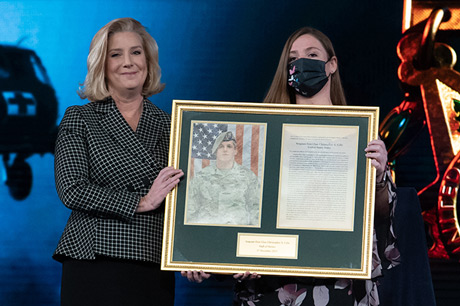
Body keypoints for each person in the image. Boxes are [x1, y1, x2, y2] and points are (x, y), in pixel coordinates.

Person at [185, 27, 400, 306]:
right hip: (272, 284)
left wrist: (381, 175)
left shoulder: (358, 135)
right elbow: (239, 206)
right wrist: (202, 253)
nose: (302, 64)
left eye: (312, 55)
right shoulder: (263, 135)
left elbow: (381, 214)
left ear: (332, 64)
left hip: (339, 283)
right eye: (293, 59)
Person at [53, 18, 183, 306]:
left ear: (148, 61)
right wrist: (142, 201)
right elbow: (72, 189)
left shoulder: (174, 126)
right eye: (116, 54)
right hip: (94, 259)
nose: (128, 62)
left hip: (151, 260)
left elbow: (189, 202)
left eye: (136, 52)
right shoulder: (80, 118)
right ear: (102, 64)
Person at [186, 130, 261, 225]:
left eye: (229, 146)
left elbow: (256, 209)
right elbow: (190, 209)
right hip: (207, 231)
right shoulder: (201, 177)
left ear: (235, 151)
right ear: (215, 151)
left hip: (237, 231)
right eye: (221, 147)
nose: (225, 150)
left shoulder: (248, 177)